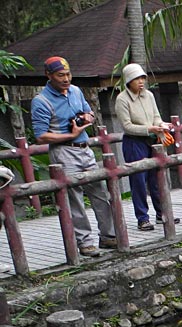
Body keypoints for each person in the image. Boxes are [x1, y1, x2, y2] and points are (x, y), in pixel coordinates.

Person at [30, 56, 117, 258]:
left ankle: (109, 235)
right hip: (63, 151)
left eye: (68, 74)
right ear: (48, 75)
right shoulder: (41, 101)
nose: (66, 78)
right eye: (61, 75)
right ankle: (85, 242)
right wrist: (70, 134)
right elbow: (41, 136)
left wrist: (88, 117)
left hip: (84, 148)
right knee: (74, 198)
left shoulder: (76, 91)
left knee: (100, 192)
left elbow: (88, 111)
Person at [113, 63, 179, 231]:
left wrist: (162, 125)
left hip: (153, 140)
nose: (141, 82)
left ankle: (162, 212)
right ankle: (142, 218)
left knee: (157, 179)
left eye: (142, 78)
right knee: (139, 182)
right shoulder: (122, 99)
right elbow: (127, 126)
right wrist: (149, 128)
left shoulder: (148, 95)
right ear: (129, 80)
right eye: (136, 79)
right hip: (134, 142)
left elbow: (156, 117)